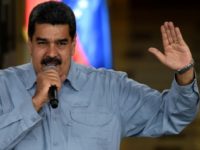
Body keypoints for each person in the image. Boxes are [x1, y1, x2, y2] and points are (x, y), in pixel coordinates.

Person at [0, 1, 199, 150]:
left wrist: (185, 72)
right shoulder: (4, 86)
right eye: (43, 43)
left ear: (73, 45)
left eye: (61, 43)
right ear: (30, 44)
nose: (52, 53)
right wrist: (34, 103)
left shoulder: (110, 88)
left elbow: (171, 115)